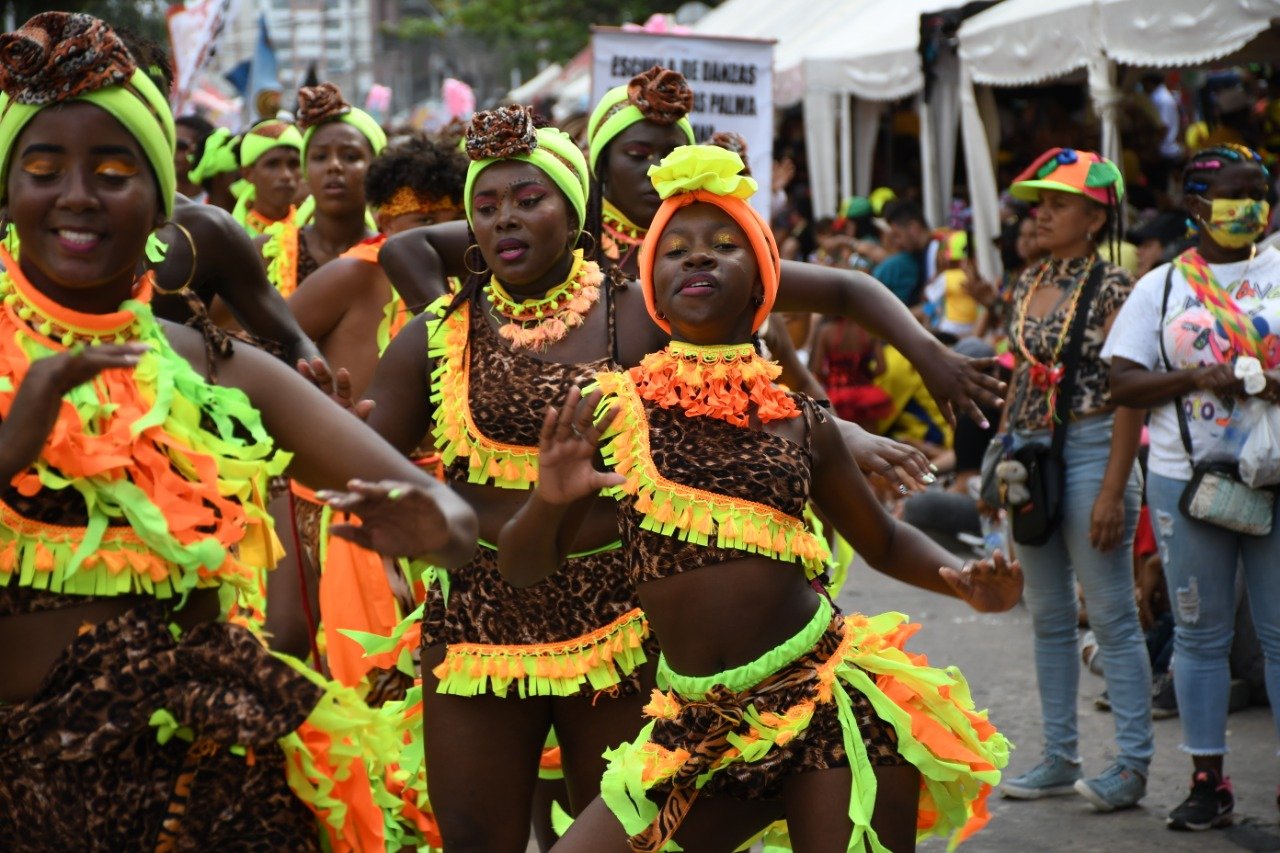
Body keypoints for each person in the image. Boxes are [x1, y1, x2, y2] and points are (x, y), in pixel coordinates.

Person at [0, 13, 476, 850]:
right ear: (9, 188)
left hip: (190, 793)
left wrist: (435, 524)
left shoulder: (220, 370)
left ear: (162, 201)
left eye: (113, 171)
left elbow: (445, 514)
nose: (76, 194)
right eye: (44, 168)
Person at [499, 144, 1019, 851]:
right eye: (675, 248)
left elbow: (886, 541)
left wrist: (961, 582)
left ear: (761, 286)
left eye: (724, 245)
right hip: (690, 724)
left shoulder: (803, 422)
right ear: (651, 282)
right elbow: (524, 568)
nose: (697, 257)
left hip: (817, 698)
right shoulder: (608, 409)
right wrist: (550, 501)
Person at [1106, 143, 1280, 832]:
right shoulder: (1162, 286)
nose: (1256, 206)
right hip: (1189, 480)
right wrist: (1195, 378)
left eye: (1263, 190)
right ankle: (1207, 780)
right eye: (1240, 193)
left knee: (1278, 634)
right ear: (1197, 205)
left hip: (1275, 475)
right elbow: (1122, 380)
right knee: (1200, 635)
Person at [993, 147, 1154, 811]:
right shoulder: (1030, 280)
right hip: (1029, 456)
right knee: (1051, 615)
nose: (1043, 213)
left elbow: (1128, 392)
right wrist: (997, 470)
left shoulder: (1116, 286)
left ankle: (1134, 763)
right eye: (1041, 202)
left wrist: (1115, 489)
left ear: (1095, 215)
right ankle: (1060, 757)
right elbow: (1017, 380)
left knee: (1112, 613)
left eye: (1058, 203)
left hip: (1091, 447)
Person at [256, 83, 383, 298]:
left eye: (350, 157)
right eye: (320, 157)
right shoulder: (266, 253)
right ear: (306, 171)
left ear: (376, 168)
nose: (334, 166)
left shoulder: (393, 259)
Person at [232, 119, 304, 237]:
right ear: (248, 174)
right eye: (272, 164)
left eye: (294, 164)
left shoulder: (314, 229)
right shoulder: (233, 238)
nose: (286, 175)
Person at [174, 113, 213, 201]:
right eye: (168, 143)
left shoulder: (214, 204)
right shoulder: (153, 196)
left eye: (180, 145)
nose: (171, 151)